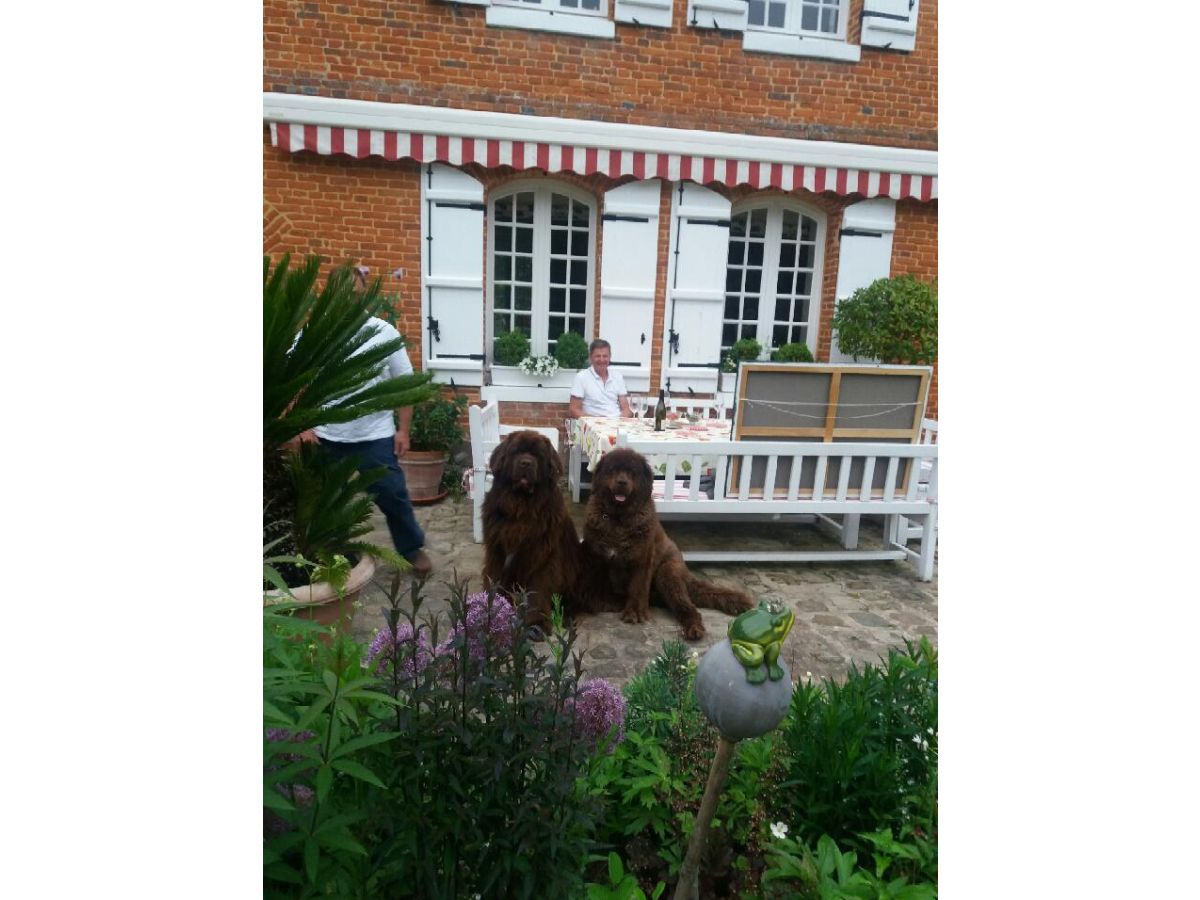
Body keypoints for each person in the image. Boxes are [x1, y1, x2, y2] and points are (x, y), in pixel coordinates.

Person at [308, 316, 433, 576]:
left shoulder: (383, 332)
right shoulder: (317, 329)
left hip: (375, 435)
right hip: (325, 434)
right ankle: (332, 551)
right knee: (325, 500)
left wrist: (403, 430)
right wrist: (303, 427)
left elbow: (404, 383)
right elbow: (295, 371)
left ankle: (410, 548)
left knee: (393, 492)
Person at [568, 338, 633, 418]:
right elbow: (573, 410)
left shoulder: (617, 376)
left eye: (605, 356)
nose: (601, 360)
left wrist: (621, 419)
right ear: (590, 357)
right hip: (592, 423)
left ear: (610, 357)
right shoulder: (581, 377)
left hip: (616, 422)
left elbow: (626, 409)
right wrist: (597, 421)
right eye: (598, 356)